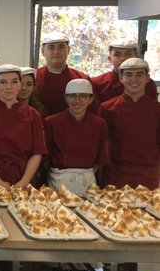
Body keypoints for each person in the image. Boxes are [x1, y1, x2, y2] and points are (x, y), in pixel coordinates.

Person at [98, 58, 159, 189]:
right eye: (128, 75)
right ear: (120, 78)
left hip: (149, 176)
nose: (134, 80)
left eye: (139, 74)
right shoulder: (107, 108)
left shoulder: (157, 109)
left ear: (147, 78)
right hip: (116, 176)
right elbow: (101, 145)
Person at [44, 79, 109, 196]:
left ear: (91, 99)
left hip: (88, 180)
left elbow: (100, 158)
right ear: (66, 98)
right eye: (72, 96)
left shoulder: (99, 124)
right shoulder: (51, 123)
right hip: (59, 180)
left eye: (83, 96)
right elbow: (45, 158)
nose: (77, 100)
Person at [36, 32, 92, 115]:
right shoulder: (33, 78)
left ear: (68, 50)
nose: (56, 52)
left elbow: (91, 112)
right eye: (51, 47)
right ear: (42, 51)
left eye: (61, 47)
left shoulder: (82, 79)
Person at [92, 38, 158, 102]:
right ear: (110, 59)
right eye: (117, 54)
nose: (123, 58)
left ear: (136, 57)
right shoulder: (97, 84)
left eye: (128, 54)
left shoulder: (148, 84)